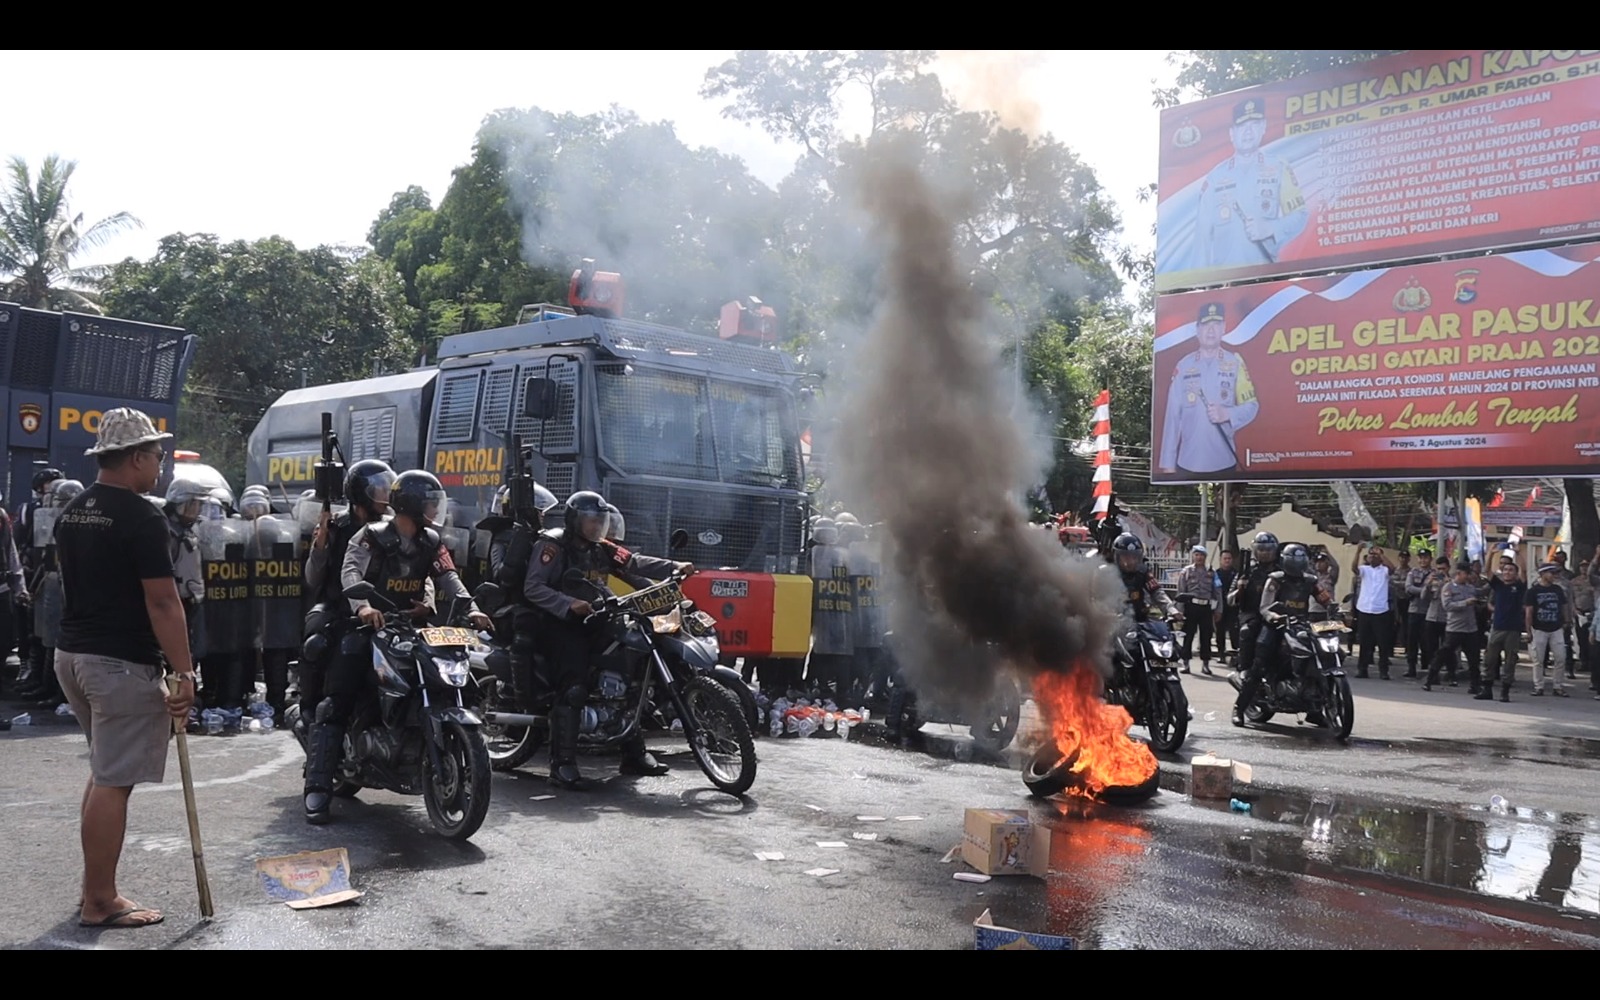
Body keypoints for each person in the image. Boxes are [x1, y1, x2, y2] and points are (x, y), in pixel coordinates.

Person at [52, 408, 195, 929]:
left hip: (73, 657)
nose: (160, 465)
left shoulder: (75, 509)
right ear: (136, 458)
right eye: (156, 456)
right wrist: (185, 672)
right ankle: (99, 900)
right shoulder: (140, 515)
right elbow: (163, 602)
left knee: (104, 773)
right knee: (114, 781)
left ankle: (94, 889)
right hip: (118, 664)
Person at [298, 470, 492, 823]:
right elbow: (350, 572)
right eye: (429, 503)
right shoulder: (369, 535)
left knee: (441, 674)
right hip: (363, 625)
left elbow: (448, 577)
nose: (435, 509)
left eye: (437, 503)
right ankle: (317, 788)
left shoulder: (432, 540)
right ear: (412, 504)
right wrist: (364, 607)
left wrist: (472, 608)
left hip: (409, 626)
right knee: (338, 697)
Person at [521, 489, 692, 790]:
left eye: (600, 520)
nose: (596, 526)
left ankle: (633, 754)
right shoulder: (554, 545)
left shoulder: (603, 548)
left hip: (598, 618)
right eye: (590, 520)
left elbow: (634, 565)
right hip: (560, 624)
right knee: (574, 687)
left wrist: (671, 569)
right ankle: (561, 766)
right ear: (575, 520)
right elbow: (533, 587)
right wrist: (567, 604)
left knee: (631, 676)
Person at [298, 460, 395, 738]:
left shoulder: (390, 527)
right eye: (379, 489)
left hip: (381, 608)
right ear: (361, 492)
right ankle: (309, 706)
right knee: (315, 638)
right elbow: (313, 577)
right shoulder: (336, 525)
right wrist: (321, 542)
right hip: (339, 606)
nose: (385, 495)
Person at [1195, 97, 1309, 268]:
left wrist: (1271, 228)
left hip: (1266, 278)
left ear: (1263, 127)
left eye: (1254, 124)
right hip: (1225, 283)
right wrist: (1199, 288)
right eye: (1242, 126)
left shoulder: (1278, 167)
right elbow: (1202, 238)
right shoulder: (1215, 178)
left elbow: (1299, 215)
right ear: (1232, 133)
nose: (1248, 132)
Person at [1157, 302, 1259, 477]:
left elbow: (1252, 406)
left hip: (1224, 461)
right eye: (1206, 325)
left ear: (1224, 328)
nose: (1211, 330)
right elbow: (1173, 416)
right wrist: (1168, 464)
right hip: (1187, 463)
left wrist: (1227, 414)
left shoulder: (1235, 363)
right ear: (1197, 329)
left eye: (1216, 324)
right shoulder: (1183, 365)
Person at [28, 478, 86, 710]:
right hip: (52, 582)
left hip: (72, 587)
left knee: (64, 641)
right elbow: (45, 556)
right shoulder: (52, 522)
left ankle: (62, 692)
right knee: (47, 637)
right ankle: (47, 685)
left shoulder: (84, 526)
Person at [11, 467, 63, 698]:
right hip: (37, 571)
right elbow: (19, 541)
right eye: (48, 485)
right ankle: (31, 669)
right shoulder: (31, 510)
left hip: (60, 575)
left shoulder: (74, 512)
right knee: (32, 627)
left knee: (53, 630)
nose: (52, 489)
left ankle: (49, 681)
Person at [1228, 531, 1281, 726]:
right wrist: (1241, 587)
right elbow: (1230, 600)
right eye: (1261, 550)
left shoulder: (1284, 570)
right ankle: (1239, 707)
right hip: (1254, 615)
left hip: (1280, 617)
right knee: (1257, 656)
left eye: (1269, 550)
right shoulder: (1247, 572)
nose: (1265, 554)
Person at [1424, 562, 1484, 693]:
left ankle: (1475, 684)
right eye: (1465, 574)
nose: (1467, 576)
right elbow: (1448, 606)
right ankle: (1430, 679)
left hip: (1470, 628)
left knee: (1473, 658)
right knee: (1442, 655)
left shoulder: (1470, 588)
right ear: (1458, 573)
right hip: (1455, 628)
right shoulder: (1448, 587)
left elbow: (1480, 597)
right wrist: (1464, 603)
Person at [1482, 560, 1526, 703]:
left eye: (1511, 570)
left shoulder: (1519, 587)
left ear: (1515, 573)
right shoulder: (1498, 586)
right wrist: (1491, 554)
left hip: (1513, 629)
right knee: (1489, 659)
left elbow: (1524, 572)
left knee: (1510, 661)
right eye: (1505, 570)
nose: (1507, 572)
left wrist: (1519, 554)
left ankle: (1504, 691)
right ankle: (1487, 689)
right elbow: (1487, 571)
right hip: (1497, 627)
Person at [1525, 562, 1571, 698]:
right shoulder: (1533, 591)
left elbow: (1564, 606)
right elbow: (1529, 611)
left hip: (1556, 628)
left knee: (1560, 657)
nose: (1554, 576)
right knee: (1538, 659)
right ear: (1543, 574)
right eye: (1551, 573)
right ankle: (1538, 686)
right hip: (1539, 628)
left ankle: (1558, 686)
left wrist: (1567, 621)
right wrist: (1528, 630)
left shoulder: (1557, 589)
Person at [1351, 542, 1396, 680]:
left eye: (1374, 555)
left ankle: (1384, 671)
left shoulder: (1384, 571)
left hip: (1380, 611)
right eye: (1370, 554)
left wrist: (1382, 554)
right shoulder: (1365, 569)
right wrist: (1358, 551)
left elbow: (1393, 568)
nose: (1371, 557)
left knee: (1383, 643)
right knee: (1364, 642)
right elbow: (1354, 568)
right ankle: (1362, 669)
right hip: (1364, 609)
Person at [1175, 545, 1216, 675]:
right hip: (1191, 607)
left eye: (1202, 555)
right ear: (1193, 556)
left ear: (1205, 557)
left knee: (1206, 636)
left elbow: (1217, 591)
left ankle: (1205, 664)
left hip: (1206, 607)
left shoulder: (1211, 572)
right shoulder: (1186, 571)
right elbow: (1181, 591)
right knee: (1188, 635)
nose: (1199, 557)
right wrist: (1179, 610)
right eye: (1197, 555)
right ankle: (1186, 663)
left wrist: (1218, 609)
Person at [1403, 549, 1433, 679]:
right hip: (1414, 610)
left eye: (1425, 558)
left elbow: (1435, 590)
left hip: (1428, 612)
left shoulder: (1434, 574)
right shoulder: (1413, 572)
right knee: (1412, 641)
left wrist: (1422, 591)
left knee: (1426, 641)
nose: (1423, 560)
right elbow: (1408, 587)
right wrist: (1424, 591)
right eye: (1421, 558)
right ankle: (1411, 667)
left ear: (1430, 559)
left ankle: (1425, 666)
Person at [1213, 549, 1239, 663]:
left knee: (1234, 631)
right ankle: (1221, 654)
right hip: (1219, 607)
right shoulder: (1216, 574)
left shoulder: (1236, 574)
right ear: (1220, 560)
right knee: (1220, 631)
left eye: (1229, 558)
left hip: (1233, 608)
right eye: (1225, 558)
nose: (1227, 561)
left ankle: (1236, 654)